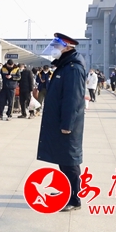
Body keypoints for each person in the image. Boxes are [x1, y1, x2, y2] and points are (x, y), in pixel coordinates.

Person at [37, 33, 86, 212]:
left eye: (57, 46)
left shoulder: (73, 68)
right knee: (62, 158)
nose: (54, 49)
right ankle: (66, 190)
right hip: (60, 121)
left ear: (67, 48)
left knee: (69, 161)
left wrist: (67, 125)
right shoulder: (65, 66)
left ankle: (74, 198)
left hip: (67, 124)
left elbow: (72, 99)